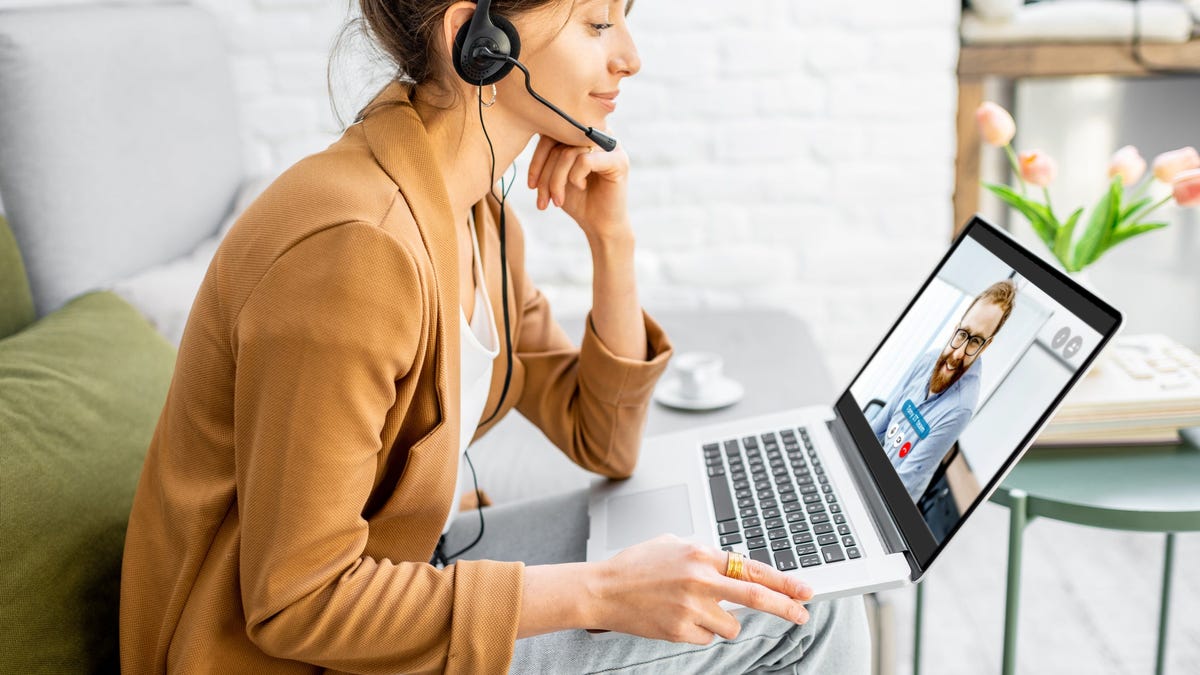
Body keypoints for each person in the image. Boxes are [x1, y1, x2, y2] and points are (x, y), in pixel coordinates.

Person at [120, 1, 869, 672]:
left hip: (406, 569)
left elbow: (602, 439)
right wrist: (599, 591)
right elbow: (298, 601)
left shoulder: (478, 217)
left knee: (781, 568)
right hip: (285, 653)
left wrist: (612, 243)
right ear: (474, 39)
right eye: (597, 22)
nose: (630, 56)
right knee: (809, 613)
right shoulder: (355, 250)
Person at [868, 280, 1017, 502]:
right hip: (875, 470)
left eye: (975, 341)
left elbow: (902, 484)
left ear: (986, 346)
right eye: (963, 334)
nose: (958, 354)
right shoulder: (929, 359)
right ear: (956, 327)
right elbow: (882, 422)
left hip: (890, 498)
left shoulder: (961, 407)